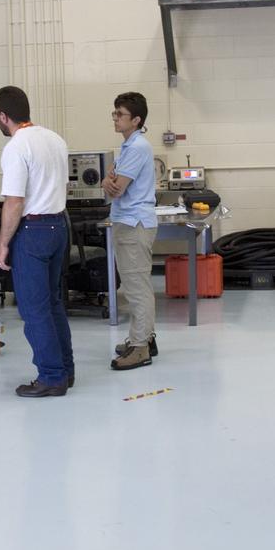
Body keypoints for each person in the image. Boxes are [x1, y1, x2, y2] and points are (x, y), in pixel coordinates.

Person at [0, 86, 73, 397]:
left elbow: (14, 202)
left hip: (34, 232)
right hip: (58, 226)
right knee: (52, 303)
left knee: (34, 309)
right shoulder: (55, 139)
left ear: (3, 115)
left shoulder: (16, 146)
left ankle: (51, 376)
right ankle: (65, 370)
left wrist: (3, 244)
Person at [102, 92, 159, 370]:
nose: (115, 118)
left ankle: (140, 349)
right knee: (138, 286)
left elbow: (116, 188)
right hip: (128, 222)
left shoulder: (137, 148)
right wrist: (107, 180)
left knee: (137, 289)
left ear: (136, 120)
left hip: (133, 223)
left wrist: (108, 182)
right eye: (114, 113)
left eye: (120, 114)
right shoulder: (129, 146)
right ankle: (145, 338)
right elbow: (110, 180)